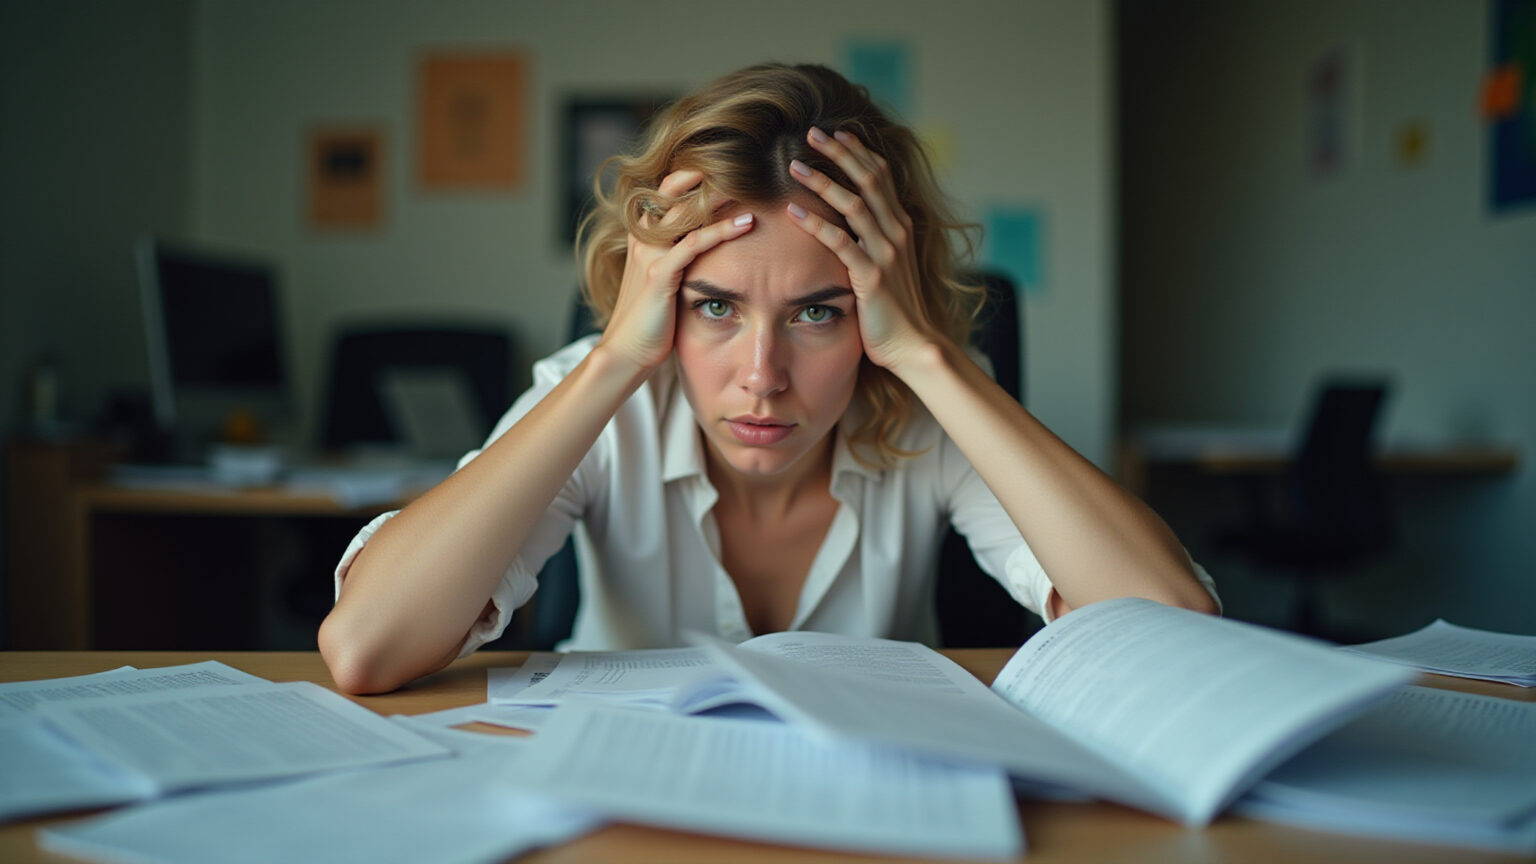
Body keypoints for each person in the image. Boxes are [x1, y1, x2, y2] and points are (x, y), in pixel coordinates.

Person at [319, 62, 1219, 695]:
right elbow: (365, 648)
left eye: (818, 312)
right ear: (660, 294)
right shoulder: (600, 394)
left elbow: (1177, 633)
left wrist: (925, 355)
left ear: (877, 301)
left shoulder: (925, 402)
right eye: (715, 306)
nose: (762, 377)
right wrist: (613, 362)